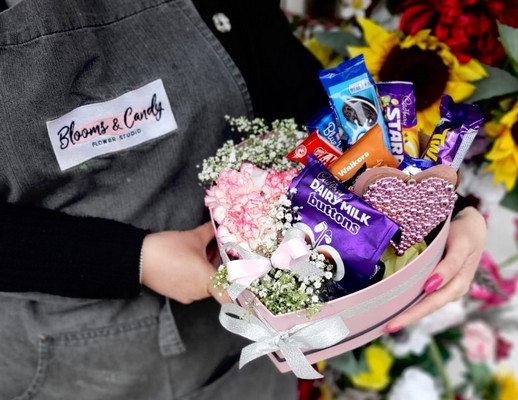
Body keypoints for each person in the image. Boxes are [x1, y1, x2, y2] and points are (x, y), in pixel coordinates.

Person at [0, 0, 486, 399]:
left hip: (255, 347)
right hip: (83, 363)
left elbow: (289, 90)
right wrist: (136, 260)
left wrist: (437, 200)